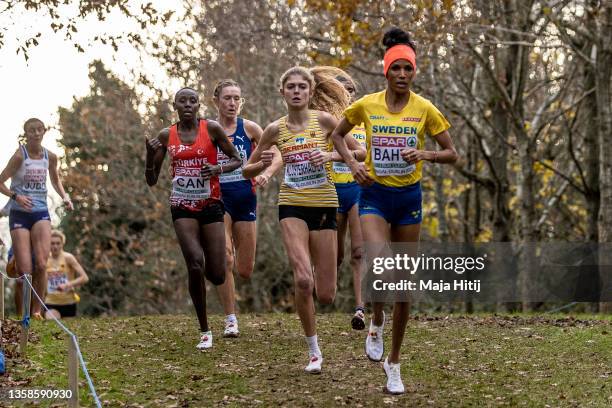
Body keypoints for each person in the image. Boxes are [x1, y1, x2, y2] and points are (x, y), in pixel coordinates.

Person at [331, 27, 459, 394]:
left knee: (404, 286)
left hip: (408, 201)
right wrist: (354, 167)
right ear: (385, 72)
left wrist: (426, 154)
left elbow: (453, 153)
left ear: (413, 72)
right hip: (373, 196)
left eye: (408, 69)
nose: (402, 75)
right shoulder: (366, 105)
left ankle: (395, 361)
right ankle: (376, 319)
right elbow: (338, 136)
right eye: (396, 68)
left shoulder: (425, 109)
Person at [243, 66, 363, 374]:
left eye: (302, 87)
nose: (296, 91)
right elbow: (246, 170)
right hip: (292, 205)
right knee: (302, 279)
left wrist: (331, 157)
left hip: (324, 203)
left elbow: (359, 153)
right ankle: (313, 351)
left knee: (326, 294)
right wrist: (263, 166)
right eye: (291, 87)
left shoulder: (325, 121)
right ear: (282, 92)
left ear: (310, 93)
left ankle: (321, 313)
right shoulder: (274, 130)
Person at [145, 87, 242, 350]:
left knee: (218, 274)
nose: (187, 105)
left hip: (210, 204)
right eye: (182, 101)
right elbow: (152, 180)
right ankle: (204, 329)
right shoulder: (167, 135)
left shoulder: (211, 129)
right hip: (182, 206)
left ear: (199, 105)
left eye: (192, 101)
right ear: (174, 105)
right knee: (195, 264)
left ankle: (215, 286)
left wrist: (217, 168)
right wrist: (148, 155)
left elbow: (237, 159)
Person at [212, 79, 282, 338]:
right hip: (218, 198)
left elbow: (277, 155)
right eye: (227, 98)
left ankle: (233, 310)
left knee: (244, 268)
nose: (232, 103)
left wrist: (267, 174)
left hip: (245, 198)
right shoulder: (208, 130)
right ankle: (231, 319)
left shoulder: (250, 128)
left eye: (236, 98)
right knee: (225, 258)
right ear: (216, 101)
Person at [0, 118, 74, 319]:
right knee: (25, 269)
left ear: (44, 132)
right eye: (31, 130)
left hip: (41, 212)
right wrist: (16, 196)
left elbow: (56, 180)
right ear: (26, 133)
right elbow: (1, 181)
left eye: (39, 130)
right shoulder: (19, 156)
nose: (35, 133)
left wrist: (66, 197)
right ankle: (23, 312)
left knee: (41, 264)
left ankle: (36, 312)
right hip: (19, 214)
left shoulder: (50, 157)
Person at [326, 70, 368, 330]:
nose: (348, 95)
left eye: (351, 91)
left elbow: (367, 155)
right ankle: (324, 296)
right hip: (331, 191)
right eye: (343, 91)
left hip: (359, 190)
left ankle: (360, 309)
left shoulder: (365, 121)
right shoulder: (326, 122)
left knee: (359, 252)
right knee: (335, 255)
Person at [44, 230, 88, 319]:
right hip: (51, 302)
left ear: (62, 244)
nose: (55, 246)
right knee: (53, 325)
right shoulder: (45, 259)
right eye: (52, 243)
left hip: (69, 302)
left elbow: (84, 277)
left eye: (58, 243)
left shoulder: (68, 258)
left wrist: (68, 284)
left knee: (66, 331)